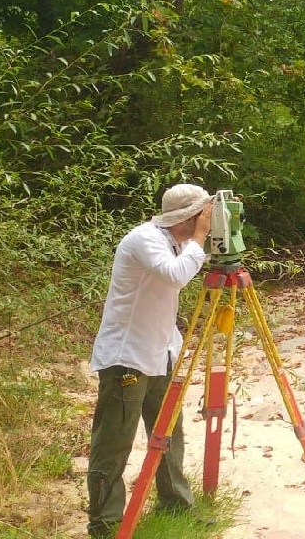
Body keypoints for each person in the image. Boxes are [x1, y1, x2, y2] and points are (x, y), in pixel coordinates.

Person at [86, 183, 214, 538]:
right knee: (114, 442)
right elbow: (176, 275)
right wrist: (201, 237)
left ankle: (176, 505)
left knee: (168, 432)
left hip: (161, 352)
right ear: (187, 217)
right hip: (128, 357)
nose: (208, 221)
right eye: (203, 215)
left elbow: (180, 271)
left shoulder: (177, 242)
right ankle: (106, 525)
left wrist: (198, 240)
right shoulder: (144, 239)